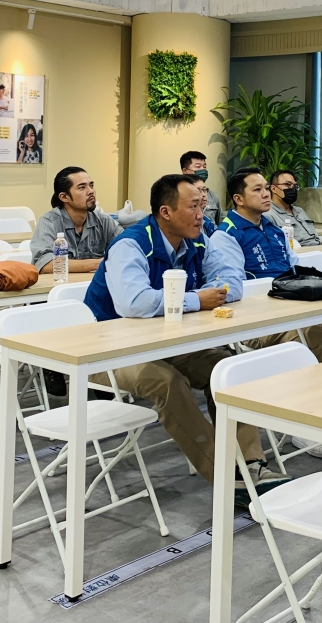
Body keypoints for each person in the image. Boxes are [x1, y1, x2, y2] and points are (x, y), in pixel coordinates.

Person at [83, 174, 286, 500]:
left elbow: (231, 283)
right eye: (193, 207)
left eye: (202, 207)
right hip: (109, 349)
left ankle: (252, 465)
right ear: (165, 212)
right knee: (167, 382)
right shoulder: (130, 245)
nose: (201, 216)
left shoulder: (197, 240)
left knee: (227, 370)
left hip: (167, 342)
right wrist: (196, 299)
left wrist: (206, 294)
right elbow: (134, 303)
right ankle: (226, 477)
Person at [210, 167, 322, 362]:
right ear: (238, 199)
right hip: (258, 321)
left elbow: (295, 270)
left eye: (266, 188)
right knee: (312, 338)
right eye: (257, 190)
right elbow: (236, 290)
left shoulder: (275, 230)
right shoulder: (226, 236)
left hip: (296, 306)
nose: (266, 194)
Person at [31, 167, 120, 274]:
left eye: (91, 186)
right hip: (60, 283)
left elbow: (126, 248)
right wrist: (98, 263)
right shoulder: (49, 222)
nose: (91, 191)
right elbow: (44, 264)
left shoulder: (104, 221)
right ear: (64, 197)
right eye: (82, 187)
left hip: (92, 283)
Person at [264, 169, 321, 246]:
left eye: (294, 186)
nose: (292, 188)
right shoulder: (268, 215)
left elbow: (316, 238)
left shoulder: (299, 211)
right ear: (273, 189)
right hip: (299, 251)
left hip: (318, 249)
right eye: (287, 184)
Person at [180, 150, 221, 225]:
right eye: (198, 166)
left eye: (204, 166)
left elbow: (220, 222)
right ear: (185, 171)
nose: (203, 170)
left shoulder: (212, 196)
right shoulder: (177, 194)